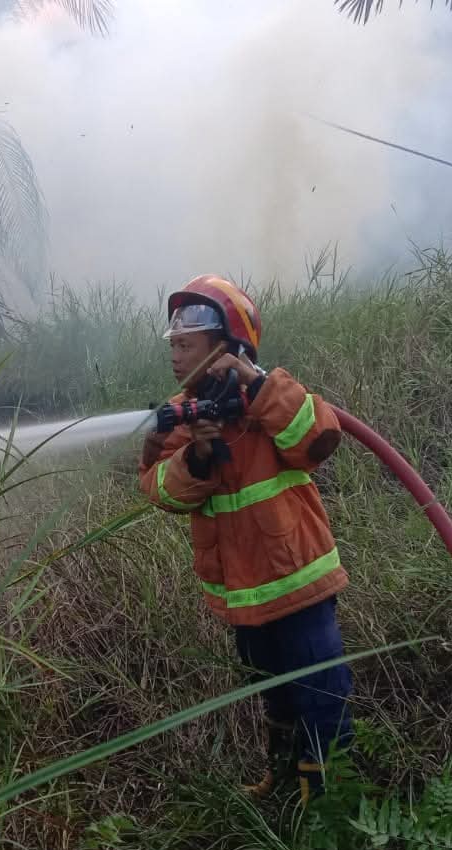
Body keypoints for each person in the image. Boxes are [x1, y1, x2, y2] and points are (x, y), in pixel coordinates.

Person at [139, 274, 354, 802]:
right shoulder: (183, 417)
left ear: (226, 347)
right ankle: (283, 785)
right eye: (173, 346)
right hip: (245, 598)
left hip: (299, 589)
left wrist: (256, 387)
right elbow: (160, 490)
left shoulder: (271, 398)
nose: (176, 357)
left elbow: (318, 439)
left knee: (322, 699)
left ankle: (328, 811)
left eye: (186, 345)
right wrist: (198, 456)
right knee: (274, 695)